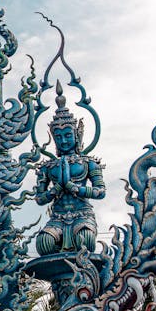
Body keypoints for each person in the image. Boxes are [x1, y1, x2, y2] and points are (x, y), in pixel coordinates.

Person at [35, 83, 105, 255]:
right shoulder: (48, 167)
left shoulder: (88, 163)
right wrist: (55, 190)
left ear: (76, 134)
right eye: (58, 137)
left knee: (85, 240)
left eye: (67, 135)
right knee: (44, 243)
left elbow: (101, 191)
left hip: (82, 214)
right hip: (57, 217)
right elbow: (39, 198)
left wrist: (77, 189)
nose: (63, 141)